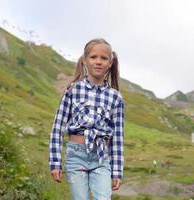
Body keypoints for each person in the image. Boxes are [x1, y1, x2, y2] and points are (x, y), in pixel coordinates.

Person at [49, 38, 124, 200]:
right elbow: (57, 127)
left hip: (101, 158)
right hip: (76, 156)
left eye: (104, 58)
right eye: (93, 57)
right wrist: (55, 162)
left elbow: (117, 138)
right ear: (85, 60)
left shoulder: (115, 97)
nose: (98, 62)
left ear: (110, 63)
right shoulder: (73, 89)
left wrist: (117, 171)